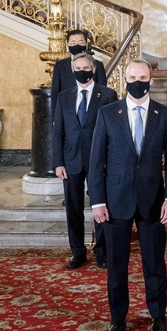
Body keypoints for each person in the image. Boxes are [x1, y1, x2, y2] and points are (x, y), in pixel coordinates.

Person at [88, 59, 167, 331]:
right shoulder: (107, 114)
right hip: (115, 202)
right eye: (132, 77)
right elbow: (97, 161)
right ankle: (118, 319)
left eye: (142, 77)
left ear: (151, 80)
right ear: (124, 80)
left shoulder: (164, 115)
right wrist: (97, 201)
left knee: (154, 264)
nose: (137, 82)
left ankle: (158, 315)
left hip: (153, 200)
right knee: (117, 266)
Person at [52, 53, 118, 270]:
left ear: (93, 69)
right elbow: (58, 131)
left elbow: (114, 131)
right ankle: (78, 252)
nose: (82, 70)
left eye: (86, 67)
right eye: (78, 67)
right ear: (72, 70)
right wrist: (58, 162)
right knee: (73, 208)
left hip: (99, 160)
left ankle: (103, 251)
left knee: (101, 206)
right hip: (71, 161)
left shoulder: (108, 95)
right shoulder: (64, 97)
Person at [51, 29, 107, 94]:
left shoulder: (98, 64)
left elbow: (103, 90)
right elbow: (55, 91)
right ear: (67, 45)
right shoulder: (60, 65)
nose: (77, 45)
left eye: (81, 43)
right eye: (73, 43)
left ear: (86, 44)